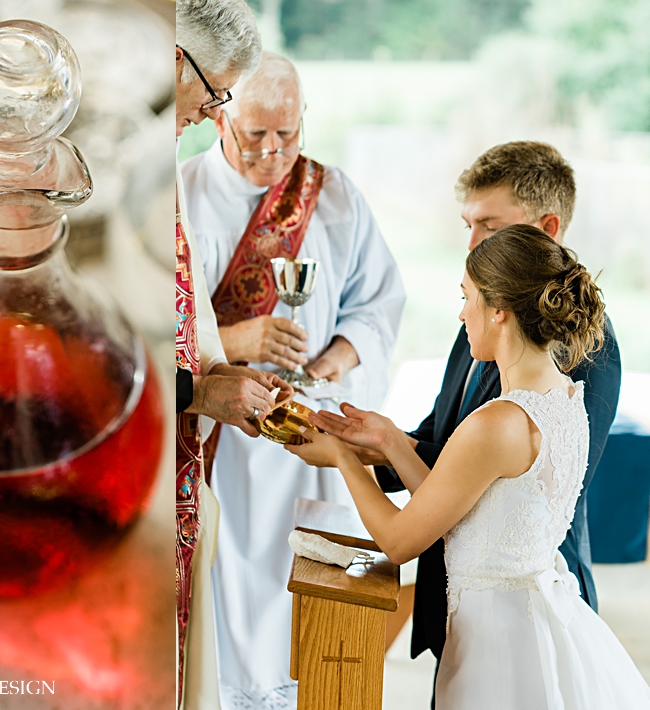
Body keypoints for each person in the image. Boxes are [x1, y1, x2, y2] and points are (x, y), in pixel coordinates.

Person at [288, 225, 650, 709]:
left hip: (499, 642)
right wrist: (392, 442)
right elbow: (465, 508)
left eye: (468, 298)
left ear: (498, 310)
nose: (462, 314)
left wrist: (340, 459)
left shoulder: (498, 422)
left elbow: (398, 542)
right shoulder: (566, 397)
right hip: (538, 618)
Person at [181, 52, 405, 709]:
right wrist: (236, 342)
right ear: (220, 118)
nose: (274, 152)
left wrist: (336, 355)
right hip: (219, 438)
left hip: (312, 439)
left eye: (288, 133)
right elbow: (161, 317)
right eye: (256, 135)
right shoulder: (183, 194)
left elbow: (378, 302)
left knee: (309, 592)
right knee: (230, 590)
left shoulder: (331, 195)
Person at [174, 3, 291, 708]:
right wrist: (195, 390)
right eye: (212, 92)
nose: (208, 110)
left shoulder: (331, 192)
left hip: (183, 455)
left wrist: (214, 370)